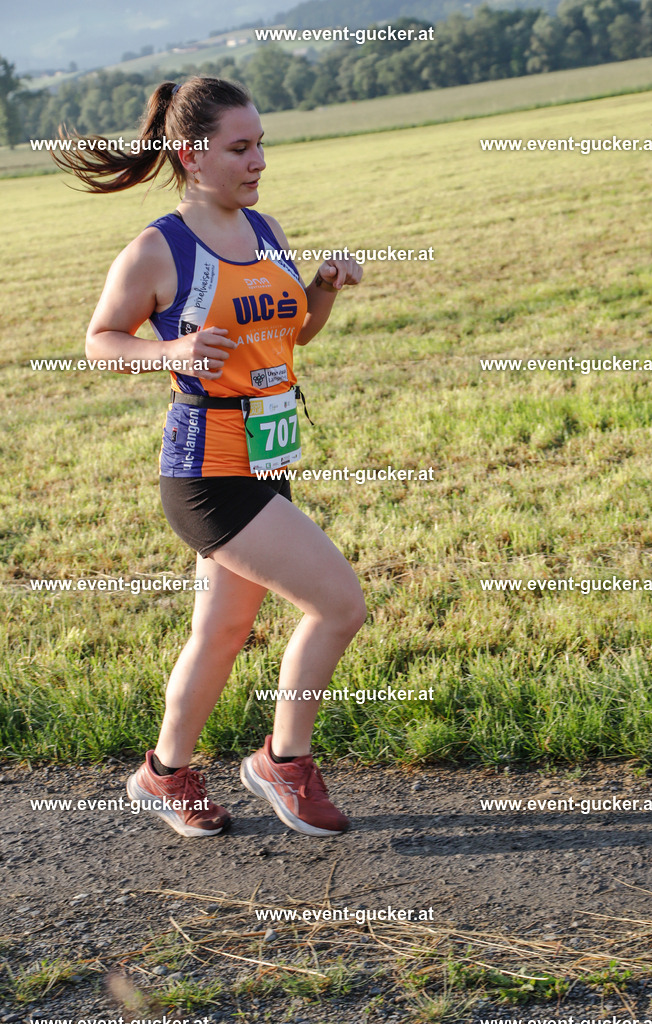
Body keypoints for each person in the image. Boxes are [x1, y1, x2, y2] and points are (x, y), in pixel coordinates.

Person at [54, 77, 366, 838]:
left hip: (266, 458)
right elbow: (99, 340)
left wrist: (322, 289)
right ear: (193, 156)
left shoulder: (265, 231)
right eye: (240, 147)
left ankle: (164, 775)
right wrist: (173, 347)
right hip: (207, 473)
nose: (258, 159)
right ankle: (282, 764)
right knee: (339, 604)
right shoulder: (158, 248)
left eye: (261, 143)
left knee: (221, 634)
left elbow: (288, 337)